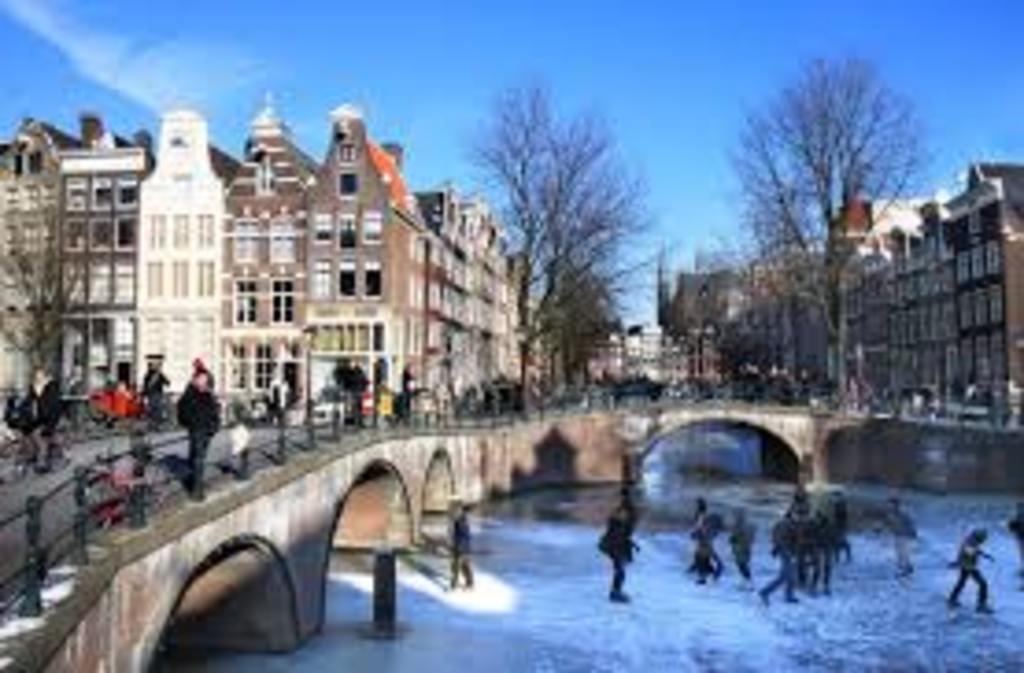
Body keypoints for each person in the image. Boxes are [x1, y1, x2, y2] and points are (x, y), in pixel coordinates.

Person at [176, 369, 220, 501]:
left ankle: (194, 482)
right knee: (198, 459)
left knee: (198, 458)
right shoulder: (189, 394)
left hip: (207, 431)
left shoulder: (207, 393)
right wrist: (192, 423)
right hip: (197, 429)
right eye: (201, 379)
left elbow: (214, 411)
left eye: (205, 379)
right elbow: (182, 412)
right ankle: (197, 490)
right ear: (195, 379)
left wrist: (215, 426)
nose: (204, 381)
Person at [22, 369, 64, 473]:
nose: (38, 379)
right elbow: (27, 402)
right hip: (39, 418)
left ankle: (43, 463)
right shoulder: (34, 387)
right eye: (36, 377)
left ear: (45, 377)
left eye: (40, 376)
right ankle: (38, 455)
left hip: (51, 418)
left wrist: (50, 425)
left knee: (42, 438)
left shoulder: (52, 387)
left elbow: (55, 407)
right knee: (31, 435)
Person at [599, 504, 639, 603]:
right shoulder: (615, 523)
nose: (625, 515)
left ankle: (615, 592)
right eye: (623, 513)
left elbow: (625, 537)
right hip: (613, 548)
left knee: (620, 571)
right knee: (620, 571)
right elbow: (614, 536)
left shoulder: (622, 524)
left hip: (618, 548)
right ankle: (615, 593)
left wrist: (635, 546)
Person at [947, 529, 993, 613]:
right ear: (979, 537)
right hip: (968, 567)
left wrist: (985, 555)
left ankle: (952, 599)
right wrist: (957, 563)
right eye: (983, 539)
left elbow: (973, 550)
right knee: (983, 584)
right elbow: (970, 552)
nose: (983, 541)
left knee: (961, 583)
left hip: (967, 566)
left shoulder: (971, 540)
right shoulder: (969, 542)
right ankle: (981, 605)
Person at [760, 512, 799, 606]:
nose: (799, 517)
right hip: (786, 553)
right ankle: (765, 592)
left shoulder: (789, 524)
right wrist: (788, 552)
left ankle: (789, 595)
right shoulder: (785, 525)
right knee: (784, 576)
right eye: (797, 515)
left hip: (789, 552)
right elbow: (781, 540)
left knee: (792, 576)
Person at [885, 497, 917, 578]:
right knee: (899, 552)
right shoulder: (890, 513)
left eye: (890, 504)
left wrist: (913, 533)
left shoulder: (903, 513)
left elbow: (910, 522)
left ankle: (906, 569)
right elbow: (889, 523)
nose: (888, 506)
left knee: (903, 553)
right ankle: (907, 567)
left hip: (905, 535)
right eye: (888, 504)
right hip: (897, 534)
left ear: (895, 504)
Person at [450, 503, 474, 591]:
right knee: (464, 566)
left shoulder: (462, 521)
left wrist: (458, 546)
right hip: (463, 547)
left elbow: (463, 535)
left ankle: (454, 586)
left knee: (457, 566)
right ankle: (469, 584)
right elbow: (460, 535)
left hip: (461, 547)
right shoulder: (461, 520)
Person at [728, 509, 755, 583]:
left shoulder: (741, 527)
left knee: (742, 565)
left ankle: (748, 580)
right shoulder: (739, 526)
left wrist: (734, 540)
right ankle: (747, 580)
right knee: (742, 565)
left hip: (741, 549)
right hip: (740, 549)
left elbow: (737, 538)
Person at [142, 359, 170, 429]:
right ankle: (156, 424)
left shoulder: (148, 375)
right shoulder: (157, 375)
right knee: (157, 409)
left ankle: (153, 424)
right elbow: (168, 383)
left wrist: (144, 394)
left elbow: (145, 386)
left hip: (152, 395)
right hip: (156, 394)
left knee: (153, 409)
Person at [831, 491, 852, 563]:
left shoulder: (841, 504)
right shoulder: (837, 504)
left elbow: (842, 515)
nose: (834, 499)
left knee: (840, 541)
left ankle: (846, 556)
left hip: (840, 525)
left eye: (835, 497)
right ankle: (838, 557)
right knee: (837, 541)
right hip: (838, 525)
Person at [1008, 503, 1024, 589]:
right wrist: (1012, 525)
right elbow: (1012, 526)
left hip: (1021, 537)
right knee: (1022, 556)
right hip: (1020, 538)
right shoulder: (1018, 517)